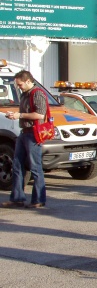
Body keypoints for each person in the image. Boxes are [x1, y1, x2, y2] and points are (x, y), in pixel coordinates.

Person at [2, 70, 47, 209]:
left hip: (33, 133)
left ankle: (38, 200)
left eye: (20, 84)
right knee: (17, 165)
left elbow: (40, 115)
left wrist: (19, 115)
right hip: (24, 132)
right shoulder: (25, 93)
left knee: (35, 167)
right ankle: (17, 198)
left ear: (28, 81)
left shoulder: (37, 93)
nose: (19, 87)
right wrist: (15, 114)